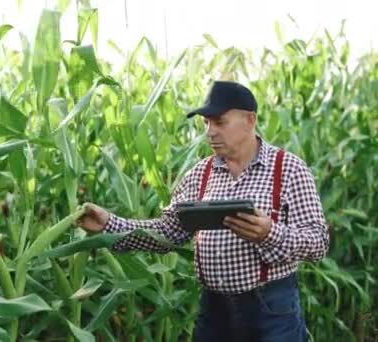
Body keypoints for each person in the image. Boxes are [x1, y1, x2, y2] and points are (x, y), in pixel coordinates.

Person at [75, 80, 329, 341]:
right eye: (206, 123)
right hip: (214, 308)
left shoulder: (288, 170)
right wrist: (109, 224)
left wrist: (269, 233)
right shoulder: (200, 174)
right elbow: (167, 232)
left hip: (271, 309)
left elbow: (318, 242)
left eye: (219, 122)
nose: (210, 132)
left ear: (250, 120)